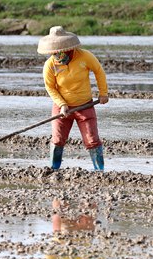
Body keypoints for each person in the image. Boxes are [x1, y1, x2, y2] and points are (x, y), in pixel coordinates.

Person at [37, 26, 109, 171]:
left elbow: (99, 71)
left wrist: (103, 93)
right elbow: (50, 87)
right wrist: (62, 104)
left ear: (69, 49)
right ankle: (54, 168)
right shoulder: (50, 65)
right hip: (62, 108)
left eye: (60, 52)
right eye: (54, 53)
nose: (58, 56)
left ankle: (99, 170)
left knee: (92, 140)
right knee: (58, 139)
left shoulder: (85, 56)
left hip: (85, 105)